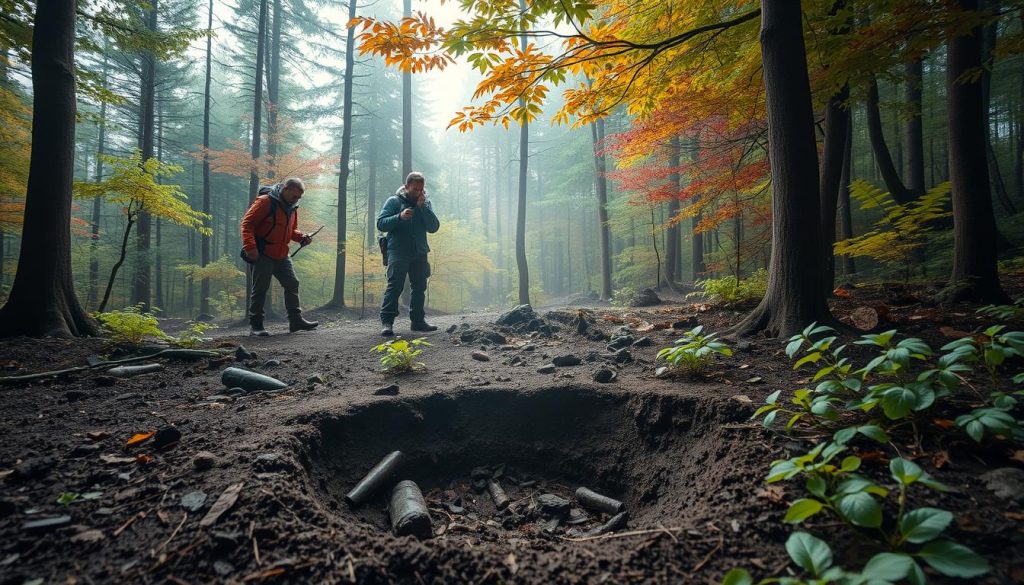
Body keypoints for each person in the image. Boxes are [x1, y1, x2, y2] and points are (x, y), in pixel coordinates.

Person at [240, 177, 319, 336]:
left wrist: (302, 237)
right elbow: (247, 224)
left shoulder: (292, 207)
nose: (296, 200)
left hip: (282, 254)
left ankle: (295, 321)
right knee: (261, 288)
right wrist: (250, 247)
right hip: (262, 252)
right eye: (294, 196)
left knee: (292, 283)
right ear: (285, 189)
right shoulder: (265, 202)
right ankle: (256, 326)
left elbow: (290, 231)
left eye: (299, 197)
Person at [377, 171, 440, 336]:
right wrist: (399, 217)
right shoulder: (394, 201)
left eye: (421, 189)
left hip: (419, 251)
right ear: (406, 187)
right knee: (395, 285)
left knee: (419, 287)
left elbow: (434, 227)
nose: (418, 192)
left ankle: (418, 322)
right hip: (397, 250)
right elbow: (381, 224)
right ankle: (387, 323)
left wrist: (423, 209)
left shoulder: (425, 204)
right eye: (414, 189)